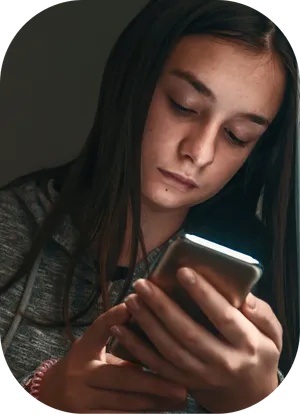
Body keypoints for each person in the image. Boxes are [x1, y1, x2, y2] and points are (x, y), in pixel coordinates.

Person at [0, 0, 298, 413]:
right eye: (183, 106)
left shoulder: (269, 287)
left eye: (236, 135)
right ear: (132, 82)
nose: (199, 151)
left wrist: (259, 399)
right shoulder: (9, 228)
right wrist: (44, 394)